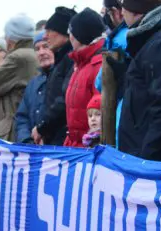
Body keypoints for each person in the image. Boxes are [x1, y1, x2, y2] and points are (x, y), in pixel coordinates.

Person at [118, 0, 161, 160]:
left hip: (147, 163)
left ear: (135, 11)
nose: (121, 13)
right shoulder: (149, 40)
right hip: (138, 154)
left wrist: (147, 164)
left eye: (123, 8)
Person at [0, 14, 40, 142]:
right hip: (24, 128)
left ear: (12, 39)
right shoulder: (33, 54)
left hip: (10, 130)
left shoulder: (17, 57)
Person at [32, 6, 78, 145]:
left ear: (63, 33)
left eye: (49, 31)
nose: (45, 36)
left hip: (63, 139)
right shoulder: (60, 60)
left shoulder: (71, 60)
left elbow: (64, 99)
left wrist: (43, 127)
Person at [63, 8, 105, 147]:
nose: (70, 37)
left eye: (71, 33)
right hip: (74, 145)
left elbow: (99, 113)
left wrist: (91, 142)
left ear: (79, 36)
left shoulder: (97, 65)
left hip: (88, 148)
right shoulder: (81, 64)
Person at [95, 0, 128, 146]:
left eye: (106, 12)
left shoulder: (120, 39)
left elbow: (100, 82)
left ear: (115, 12)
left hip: (122, 111)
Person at [15, 31, 55, 143]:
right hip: (33, 151)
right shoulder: (33, 84)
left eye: (46, 46)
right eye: (37, 49)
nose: (41, 52)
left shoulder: (65, 77)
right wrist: (27, 141)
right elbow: (22, 118)